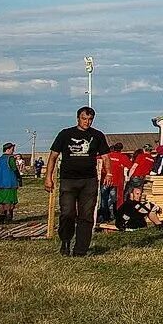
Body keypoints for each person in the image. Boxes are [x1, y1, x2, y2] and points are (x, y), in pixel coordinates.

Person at [46, 107, 110, 256]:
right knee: (67, 213)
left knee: (86, 215)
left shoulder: (97, 135)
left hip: (89, 181)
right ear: (78, 118)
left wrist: (109, 173)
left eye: (89, 119)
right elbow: (53, 156)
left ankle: (81, 249)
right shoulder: (65, 134)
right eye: (84, 118)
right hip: (68, 180)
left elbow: (106, 156)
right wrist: (48, 177)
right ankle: (66, 241)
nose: (87, 122)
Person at [0, 143, 22, 223]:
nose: (13, 151)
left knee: (1, 201)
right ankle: (8, 218)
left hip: (0, 184)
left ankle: (1, 220)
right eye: (12, 149)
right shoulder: (10, 159)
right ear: (8, 149)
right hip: (9, 183)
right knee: (9, 201)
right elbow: (14, 169)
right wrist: (19, 177)